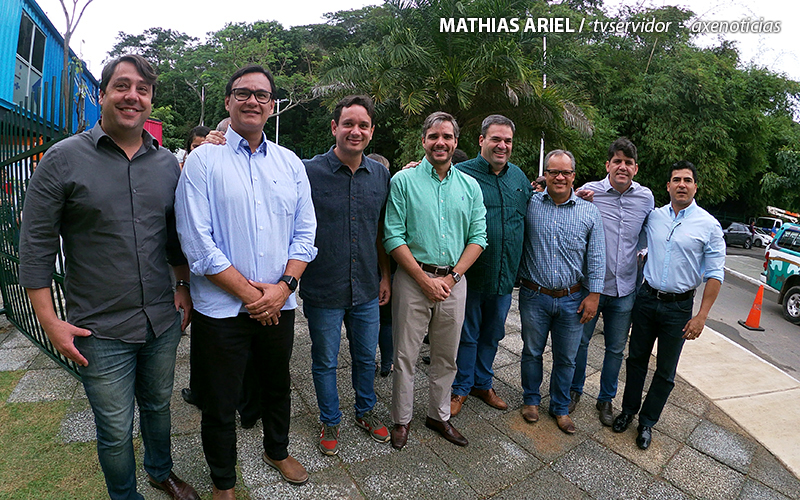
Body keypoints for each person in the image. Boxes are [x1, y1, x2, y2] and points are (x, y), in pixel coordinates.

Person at [19, 54, 199, 500]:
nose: (132, 96)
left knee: (158, 407)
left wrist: (182, 286)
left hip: (161, 319)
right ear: (102, 94)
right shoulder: (62, 159)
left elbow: (174, 237)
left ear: (150, 100)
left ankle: (160, 471)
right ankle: (124, 495)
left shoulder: (166, 164)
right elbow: (36, 246)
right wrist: (50, 322)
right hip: (99, 329)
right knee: (115, 429)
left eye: (142, 89)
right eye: (122, 86)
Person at [175, 65, 317, 497]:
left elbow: (305, 233)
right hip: (221, 310)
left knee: (277, 386)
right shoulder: (202, 161)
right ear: (228, 101)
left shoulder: (290, 163)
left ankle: (277, 450)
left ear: (272, 105)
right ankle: (223, 480)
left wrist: (283, 289)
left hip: (279, 303)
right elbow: (197, 242)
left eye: (262, 94)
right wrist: (255, 296)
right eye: (243, 93)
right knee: (219, 400)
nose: (253, 100)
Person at [383, 111, 487, 450]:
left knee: (446, 356)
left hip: (454, 283)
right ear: (424, 141)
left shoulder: (470, 186)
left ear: (456, 142)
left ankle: (438, 415)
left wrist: (453, 277)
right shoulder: (403, 181)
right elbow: (393, 236)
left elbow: (479, 237)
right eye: (433, 136)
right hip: (412, 280)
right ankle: (402, 419)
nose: (440, 142)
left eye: (447, 137)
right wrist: (423, 279)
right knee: (405, 355)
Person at [302, 95, 392, 456]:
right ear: (334, 127)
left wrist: (385, 276)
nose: (356, 131)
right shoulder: (308, 172)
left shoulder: (380, 175)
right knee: (325, 360)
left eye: (363, 125)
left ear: (371, 131)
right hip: (323, 286)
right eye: (348, 124)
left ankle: (365, 411)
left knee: (366, 357)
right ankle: (330, 418)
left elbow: (381, 232)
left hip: (367, 287)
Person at [612, 161, 724, 450]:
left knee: (665, 370)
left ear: (695, 186)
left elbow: (715, 274)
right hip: (647, 299)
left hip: (679, 308)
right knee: (636, 359)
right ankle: (628, 411)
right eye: (676, 179)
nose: (681, 185)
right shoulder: (655, 217)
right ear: (668, 186)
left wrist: (701, 316)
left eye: (687, 180)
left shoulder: (709, 225)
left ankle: (647, 422)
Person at [449, 115, 532, 417]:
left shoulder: (519, 178)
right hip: (470, 276)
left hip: (505, 277)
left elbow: (536, 207)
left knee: (493, 334)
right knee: (467, 335)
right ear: (482, 140)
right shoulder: (460, 174)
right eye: (496, 139)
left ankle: (482, 383)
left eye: (507, 140)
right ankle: (461, 387)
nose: (502, 145)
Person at [518, 149, 605, 435]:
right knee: (532, 352)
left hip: (572, 298)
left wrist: (594, 295)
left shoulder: (589, 212)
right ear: (545, 175)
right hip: (534, 295)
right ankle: (531, 400)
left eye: (565, 172)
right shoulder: (530, 204)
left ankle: (560, 407)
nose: (559, 177)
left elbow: (596, 257)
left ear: (573, 176)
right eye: (553, 172)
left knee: (567, 358)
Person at [569, 138, 654, 426]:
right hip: (591, 287)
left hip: (625, 289)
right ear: (608, 165)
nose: (622, 167)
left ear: (635, 168)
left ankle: (605, 399)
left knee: (616, 349)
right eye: (617, 161)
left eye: (628, 163)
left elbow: (647, 234)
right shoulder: (588, 192)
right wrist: (576, 200)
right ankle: (574, 390)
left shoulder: (645, 198)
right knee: (580, 343)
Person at [367, 152, 396, 378]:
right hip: (387, 265)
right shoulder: (391, 197)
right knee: (386, 320)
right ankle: (388, 362)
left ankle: (371, 363)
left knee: (368, 321)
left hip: (370, 266)